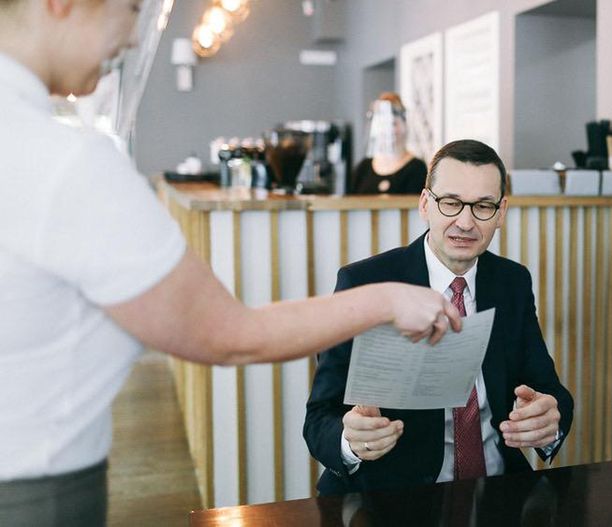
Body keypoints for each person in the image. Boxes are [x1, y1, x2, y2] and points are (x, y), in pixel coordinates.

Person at [0, 2, 460, 525]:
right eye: (130, 8)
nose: (132, 39)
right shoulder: (66, 160)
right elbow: (230, 335)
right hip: (32, 491)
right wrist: (388, 298)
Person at [304, 139, 575, 495]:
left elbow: (549, 391)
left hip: (498, 492)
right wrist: (350, 440)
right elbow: (319, 418)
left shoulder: (512, 282)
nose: (465, 222)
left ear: (501, 212)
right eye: (450, 203)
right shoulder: (365, 283)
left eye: (483, 206)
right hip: (396, 499)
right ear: (425, 204)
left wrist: (548, 419)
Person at [348, 92, 427, 195]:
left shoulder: (417, 168)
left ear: (404, 125)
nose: (388, 130)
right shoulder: (363, 168)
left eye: (393, 124)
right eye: (383, 124)